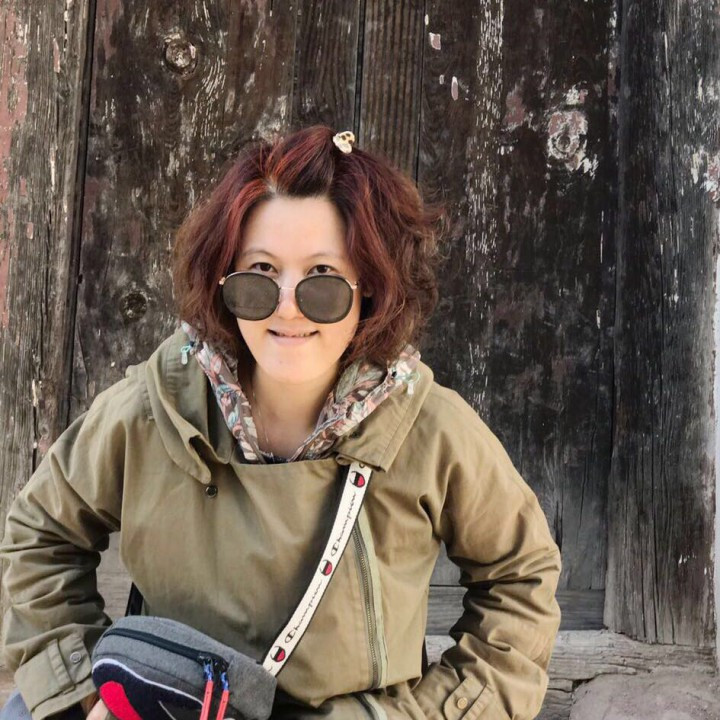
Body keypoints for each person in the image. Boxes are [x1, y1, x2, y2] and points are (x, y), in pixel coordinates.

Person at [0, 125, 561, 720]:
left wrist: (435, 713)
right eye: (261, 271)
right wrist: (84, 689)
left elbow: (520, 576)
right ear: (224, 280)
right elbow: (41, 532)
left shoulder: (432, 430)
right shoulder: (149, 409)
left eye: (322, 277)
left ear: (370, 287)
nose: (288, 305)